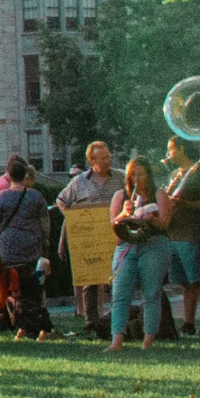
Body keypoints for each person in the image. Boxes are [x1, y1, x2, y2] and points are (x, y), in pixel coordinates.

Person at [55, 141, 122, 337]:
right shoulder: (79, 182)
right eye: (102, 158)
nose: (107, 161)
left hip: (114, 235)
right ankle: (92, 321)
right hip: (90, 237)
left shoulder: (120, 177)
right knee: (90, 280)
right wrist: (75, 218)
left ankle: (116, 318)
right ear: (91, 161)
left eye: (108, 157)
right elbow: (61, 200)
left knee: (117, 276)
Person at [108, 155, 174, 352]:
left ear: (149, 175)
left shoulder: (158, 193)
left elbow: (165, 223)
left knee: (151, 293)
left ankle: (148, 340)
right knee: (120, 293)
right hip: (126, 245)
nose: (137, 179)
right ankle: (116, 340)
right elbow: (113, 224)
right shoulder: (121, 196)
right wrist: (124, 214)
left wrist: (150, 218)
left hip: (153, 244)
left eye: (141, 174)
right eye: (133, 174)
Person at [0, 156, 54, 340]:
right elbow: (45, 223)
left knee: (14, 288)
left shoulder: (1, 196)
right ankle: (34, 323)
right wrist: (45, 243)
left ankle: (19, 321)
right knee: (33, 287)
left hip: (8, 248)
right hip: (31, 246)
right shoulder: (35, 196)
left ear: (9, 176)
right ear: (25, 175)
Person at [164, 136, 200, 338]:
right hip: (173, 234)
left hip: (192, 234)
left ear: (182, 149)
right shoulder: (175, 174)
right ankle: (188, 323)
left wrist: (184, 203)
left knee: (199, 280)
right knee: (185, 282)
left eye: (171, 150)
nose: (169, 154)